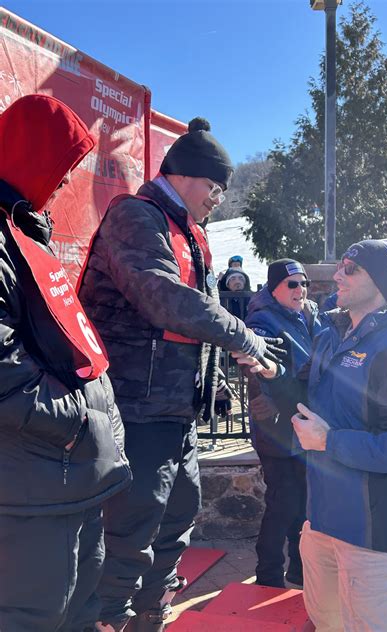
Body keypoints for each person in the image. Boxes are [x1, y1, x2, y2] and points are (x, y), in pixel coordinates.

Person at [78, 117, 282, 632]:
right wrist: (246, 338)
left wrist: (210, 385)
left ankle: (151, 612)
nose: (218, 199)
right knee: (130, 528)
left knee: (178, 517)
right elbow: (166, 299)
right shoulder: (135, 216)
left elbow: (199, 313)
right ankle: (109, 620)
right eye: (214, 187)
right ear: (184, 176)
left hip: (176, 412)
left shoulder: (193, 234)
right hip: (134, 408)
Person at [233, 238, 387, 632]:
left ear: (382, 282)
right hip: (321, 520)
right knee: (325, 622)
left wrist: (329, 441)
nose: (337, 274)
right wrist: (272, 372)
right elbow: (307, 401)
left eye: (352, 268)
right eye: (341, 266)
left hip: (375, 534)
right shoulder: (331, 332)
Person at [0, 94, 131, 631]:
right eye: (62, 167)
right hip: (30, 487)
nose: (65, 183)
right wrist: (81, 422)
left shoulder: (22, 234)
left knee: (78, 615)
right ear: (28, 157)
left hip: (63, 479)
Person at [245, 259, 320, 588]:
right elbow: (258, 367)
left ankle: (300, 569)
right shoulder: (262, 319)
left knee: (303, 501)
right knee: (283, 502)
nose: (300, 290)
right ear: (274, 286)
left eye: (304, 283)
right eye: (292, 284)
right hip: (275, 424)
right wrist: (269, 396)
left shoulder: (309, 313)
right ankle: (269, 575)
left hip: (303, 419)